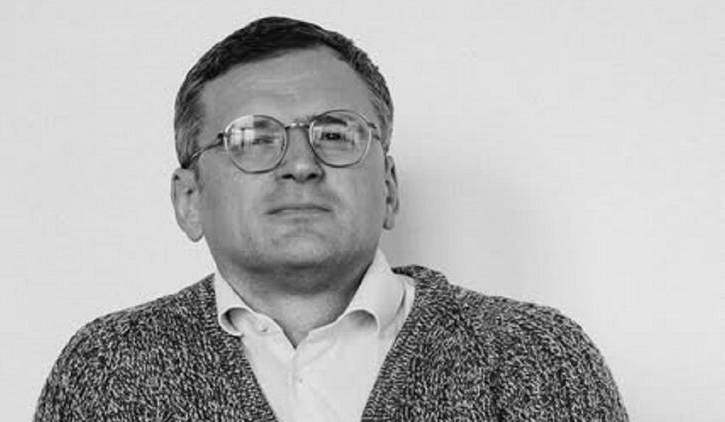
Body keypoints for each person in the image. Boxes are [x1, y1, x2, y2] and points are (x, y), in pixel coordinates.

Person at [34, 16, 628, 421]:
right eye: (253, 138)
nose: (300, 164)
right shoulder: (107, 370)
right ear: (189, 199)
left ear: (388, 188)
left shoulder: (539, 359)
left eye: (335, 134)